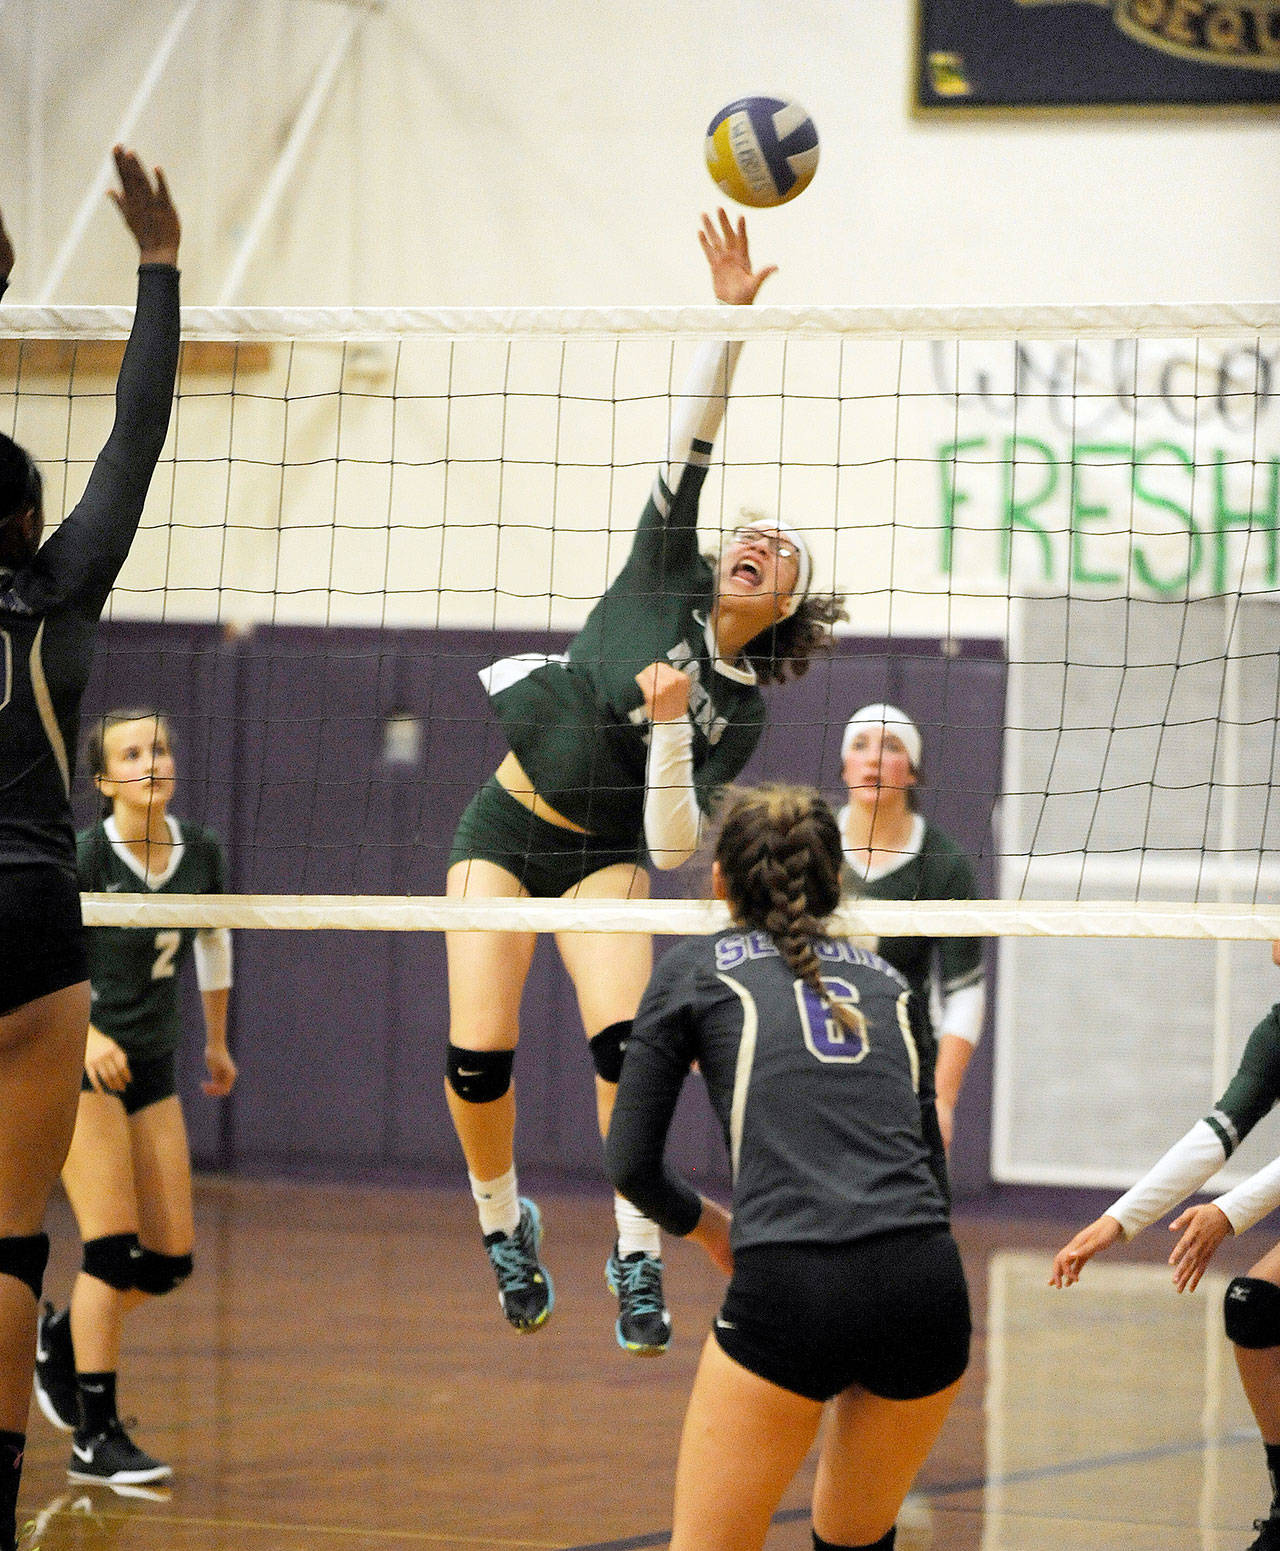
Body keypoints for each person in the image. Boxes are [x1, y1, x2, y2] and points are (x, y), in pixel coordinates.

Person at [445, 210, 847, 1353]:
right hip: (502, 826)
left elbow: (673, 846)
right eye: (750, 532)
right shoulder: (663, 564)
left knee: (622, 1057)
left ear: (781, 603)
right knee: (477, 1059)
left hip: (606, 859)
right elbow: (692, 436)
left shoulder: (746, 704)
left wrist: (672, 733)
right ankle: (500, 1223)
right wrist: (725, 322)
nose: (754, 540)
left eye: (780, 552)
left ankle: (633, 1259)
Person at [604, 784, 969, 1551]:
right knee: (855, 1542)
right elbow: (931, 1177)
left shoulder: (694, 968)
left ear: (718, 883)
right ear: (839, 884)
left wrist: (713, 1231)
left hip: (795, 1281)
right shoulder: (892, 986)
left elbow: (631, 1162)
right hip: (926, 1288)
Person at [0, 148, 180, 1551]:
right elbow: (132, 438)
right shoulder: (61, 590)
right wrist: (159, 267)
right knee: (13, 1241)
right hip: (37, 920)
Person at [31, 709, 234, 1487]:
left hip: (152, 1061)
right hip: (82, 1061)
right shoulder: (83, 856)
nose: (153, 762)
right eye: (132, 753)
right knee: (111, 1251)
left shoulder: (201, 850)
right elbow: (43, 959)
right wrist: (84, 1036)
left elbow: (214, 938)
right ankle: (95, 1432)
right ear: (106, 778)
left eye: (161, 748)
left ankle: (61, 1342)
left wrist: (216, 1040)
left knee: (170, 1258)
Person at [1051, 942, 1280, 1551]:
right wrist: (1118, 1221)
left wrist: (1228, 1213)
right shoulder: (1278, 1029)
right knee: (1255, 1304)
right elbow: (1218, 1132)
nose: (1269, 938)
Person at [837, 703, 986, 1148]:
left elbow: (966, 990)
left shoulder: (945, 863)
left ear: (912, 772)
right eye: (860, 745)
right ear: (845, 767)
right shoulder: (811, 843)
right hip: (813, 1046)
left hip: (904, 1056)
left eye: (891, 746)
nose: (874, 758)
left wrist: (943, 1099)